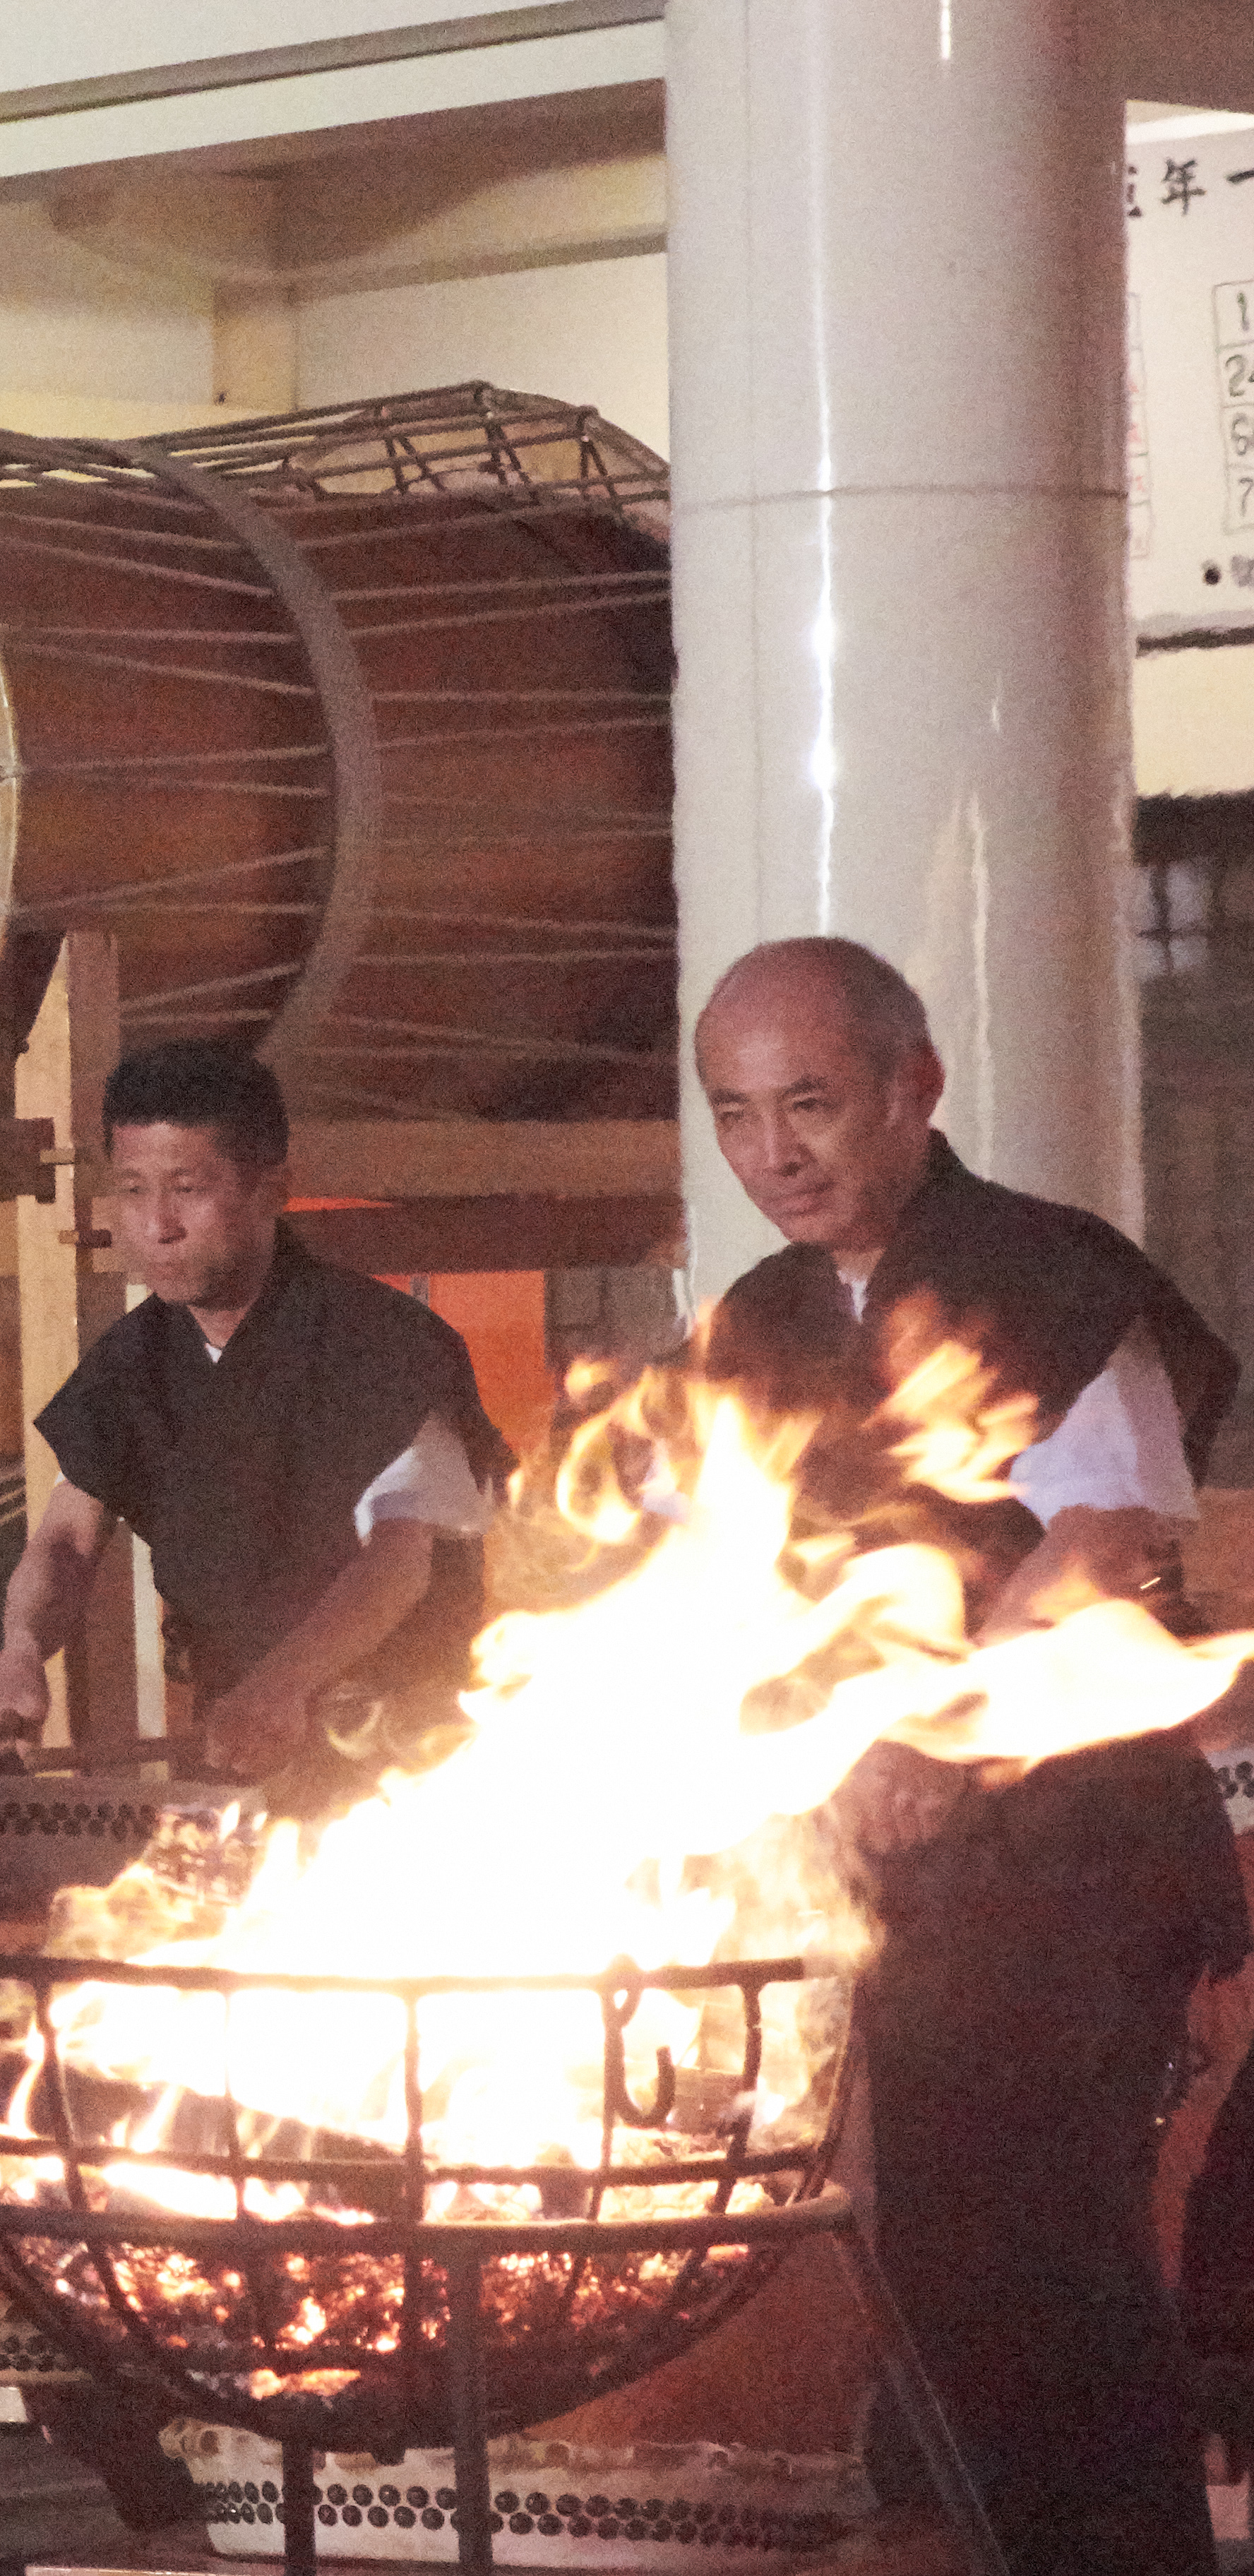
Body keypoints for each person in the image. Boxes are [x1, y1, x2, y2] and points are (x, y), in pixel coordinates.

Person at [690, 935, 1245, 2576]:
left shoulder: (1040, 1268)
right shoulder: (760, 1318)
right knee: (927, 2245)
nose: (771, 1151)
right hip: (900, 1865)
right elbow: (734, 1576)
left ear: (909, 1088)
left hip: (1069, 1846)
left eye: (808, 1102)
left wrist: (940, 1720)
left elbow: (1105, 1522)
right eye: (732, 1113)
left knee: (1049, 2254)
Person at [0, 1039, 506, 1784]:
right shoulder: (135, 1360)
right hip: (234, 1741)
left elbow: (399, 1560)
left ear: (270, 1190)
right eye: (132, 1190)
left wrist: (282, 1685)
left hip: (401, 1752)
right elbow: (65, 1538)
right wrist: (22, 1655)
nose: (157, 1225)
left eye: (186, 1188)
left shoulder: (383, 1342)